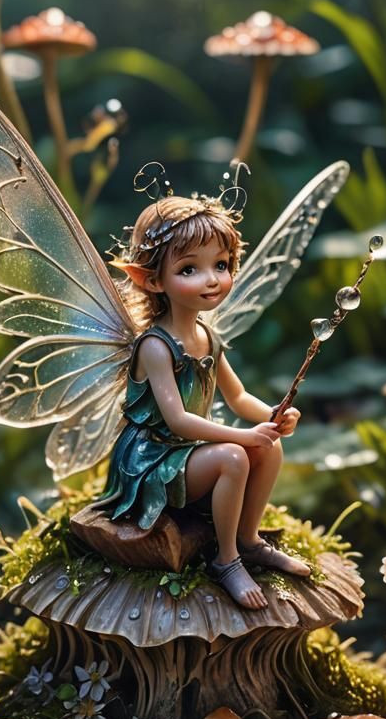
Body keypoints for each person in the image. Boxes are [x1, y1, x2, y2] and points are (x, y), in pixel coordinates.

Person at [104, 194, 311, 610]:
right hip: (151, 460)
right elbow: (178, 420)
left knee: (269, 447)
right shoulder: (156, 346)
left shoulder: (207, 336)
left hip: (187, 451)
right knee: (234, 457)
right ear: (152, 280)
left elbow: (237, 396)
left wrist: (273, 417)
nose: (212, 279)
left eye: (221, 265)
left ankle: (248, 540)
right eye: (189, 269)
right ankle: (225, 560)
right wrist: (243, 437)